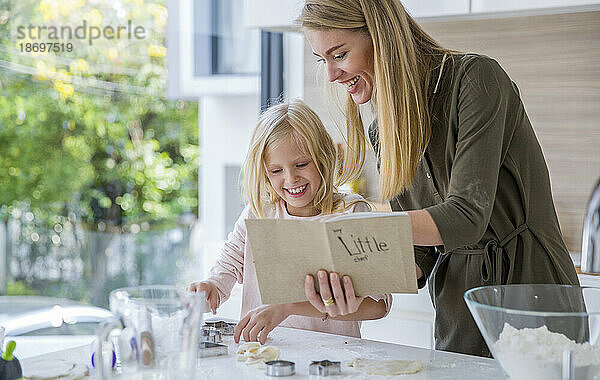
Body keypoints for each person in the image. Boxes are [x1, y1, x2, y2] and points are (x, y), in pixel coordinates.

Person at [298, 0, 578, 357]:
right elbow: (421, 254)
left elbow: (466, 216)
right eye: (323, 60)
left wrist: (365, 229)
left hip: (532, 292)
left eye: (339, 54)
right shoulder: (384, 132)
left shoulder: (476, 79)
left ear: (382, 37)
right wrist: (354, 284)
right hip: (459, 313)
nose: (331, 75)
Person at [189, 99, 392, 344]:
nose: (291, 178)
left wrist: (287, 307)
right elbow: (228, 266)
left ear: (323, 156)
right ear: (264, 171)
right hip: (262, 357)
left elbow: (377, 305)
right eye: (276, 171)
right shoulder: (258, 214)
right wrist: (211, 287)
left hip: (334, 361)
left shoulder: (352, 213)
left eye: (301, 164)